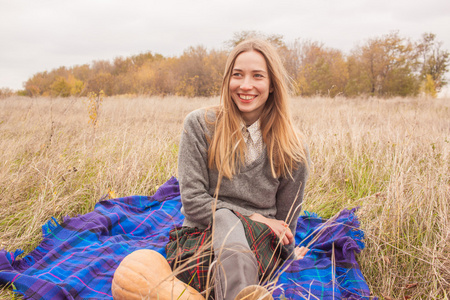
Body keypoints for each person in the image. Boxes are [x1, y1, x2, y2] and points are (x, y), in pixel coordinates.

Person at [175, 39, 310, 300]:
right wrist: (255, 216)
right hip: (202, 237)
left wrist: (289, 253)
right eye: (238, 75)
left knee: (231, 232)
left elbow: (286, 217)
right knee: (224, 217)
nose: (245, 85)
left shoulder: (292, 145)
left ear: (272, 85)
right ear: (227, 80)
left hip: (258, 245)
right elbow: (192, 201)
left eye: (257, 76)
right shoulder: (200, 126)